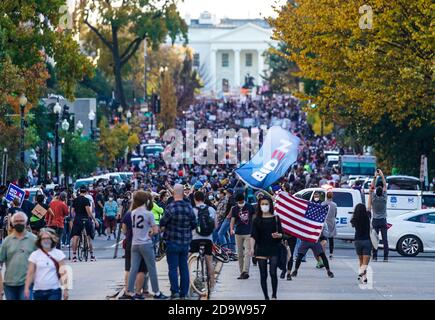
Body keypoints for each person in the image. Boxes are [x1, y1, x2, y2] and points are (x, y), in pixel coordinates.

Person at [126, 191, 167, 299]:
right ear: (146, 200)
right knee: (151, 268)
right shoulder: (149, 213)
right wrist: (151, 232)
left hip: (135, 243)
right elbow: (155, 230)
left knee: (134, 268)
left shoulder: (133, 212)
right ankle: (157, 292)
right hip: (145, 243)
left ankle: (130, 291)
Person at [160, 184, 197, 300]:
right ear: (182, 193)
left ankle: (175, 292)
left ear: (174, 193)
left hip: (172, 241)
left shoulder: (170, 207)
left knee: (172, 268)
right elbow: (194, 224)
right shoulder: (188, 207)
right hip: (185, 242)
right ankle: (184, 293)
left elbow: (162, 223)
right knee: (184, 268)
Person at [249, 196, 283, 300]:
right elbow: (253, 235)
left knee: (273, 273)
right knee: (263, 275)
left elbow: (283, 234)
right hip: (261, 248)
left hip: (273, 248)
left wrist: (279, 235)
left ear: (270, 205)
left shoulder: (276, 218)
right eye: (262, 204)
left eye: (266, 204)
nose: (264, 206)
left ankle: (274, 295)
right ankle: (266, 297)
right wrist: (252, 248)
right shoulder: (256, 220)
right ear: (259, 205)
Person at [0, 212, 37, 300]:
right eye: (16, 221)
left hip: (27, 283)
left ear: (26, 222)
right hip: (9, 283)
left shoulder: (34, 240)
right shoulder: (7, 241)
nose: (19, 223)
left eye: (21, 221)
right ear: (12, 223)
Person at [24, 229, 68, 300]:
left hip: (54, 290)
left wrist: (65, 290)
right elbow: (30, 273)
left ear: (52, 240)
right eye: (43, 238)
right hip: (38, 291)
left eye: (48, 238)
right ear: (39, 241)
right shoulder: (35, 255)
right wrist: (26, 288)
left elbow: (63, 273)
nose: (46, 240)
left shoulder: (58, 254)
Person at [118, 209, 150, 300]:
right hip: (143, 243)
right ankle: (138, 292)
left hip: (131, 243)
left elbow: (124, 230)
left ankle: (128, 292)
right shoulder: (147, 214)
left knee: (128, 268)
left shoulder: (128, 214)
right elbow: (153, 230)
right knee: (141, 269)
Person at [190, 191, 218, 292]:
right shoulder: (211, 209)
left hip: (195, 238)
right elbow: (216, 226)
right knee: (209, 261)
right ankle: (212, 284)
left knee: (187, 257)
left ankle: (184, 276)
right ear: (204, 198)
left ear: (195, 199)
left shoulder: (192, 210)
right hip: (208, 239)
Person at [230, 192, 255, 280]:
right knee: (240, 254)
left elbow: (253, 217)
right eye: (238, 202)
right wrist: (231, 229)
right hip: (238, 232)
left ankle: (245, 271)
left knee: (247, 253)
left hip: (248, 232)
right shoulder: (235, 209)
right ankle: (242, 272)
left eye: (240, 202)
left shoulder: (249, 206)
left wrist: (254, 228)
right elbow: (232, 219)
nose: (239, 203)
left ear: (243, 200)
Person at [70, 186, 99, 262]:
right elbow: (89, 212)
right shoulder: (86, 200)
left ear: (79, 192)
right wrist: (94, 220)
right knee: (89, 237)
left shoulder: (75, 200)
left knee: (75, 237)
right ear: (86, 192)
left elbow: (72, 211)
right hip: (85, 219)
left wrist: (73, 218)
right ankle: (92, 256)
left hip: (77, 219)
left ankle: (74, 256)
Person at [369, 169, 388, 262]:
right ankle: (385, 257)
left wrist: (375, 176)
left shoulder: (373, 199)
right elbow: (385, 185)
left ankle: (375, 257)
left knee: (375, 240)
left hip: (375, 220)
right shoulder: (384, 199)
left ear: (376, 192)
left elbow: (372, 187)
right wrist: (382, 174)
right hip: (383, 220)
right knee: (385, 240)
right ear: (382, 192)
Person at [351, 203, 372, 284]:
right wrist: (370, 193)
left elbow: (353, 225)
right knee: (365, 262)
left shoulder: (354, 219)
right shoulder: (368, 216)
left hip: (357, 241)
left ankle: (364, 277)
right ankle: (361, 274)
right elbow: (369, 207)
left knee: (361, 260)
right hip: (367, 241)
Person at [322, 191, 337, 258]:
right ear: (332, 196)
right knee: (331, 239)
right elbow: (335, 214)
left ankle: (323, 252)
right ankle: (331, 253)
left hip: (324, 221)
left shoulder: (323, 203)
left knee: (324, 238)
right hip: (331, 221)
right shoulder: (334, 204)